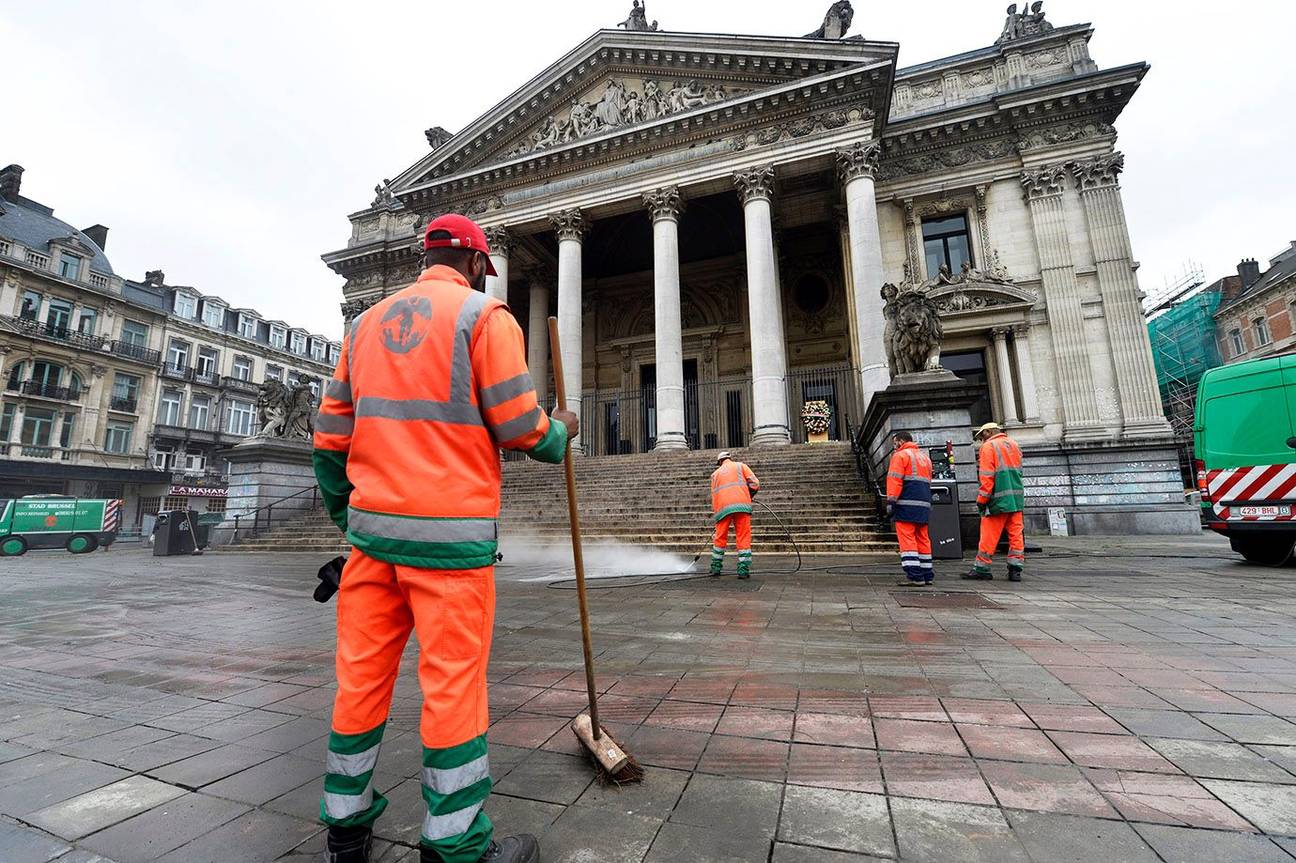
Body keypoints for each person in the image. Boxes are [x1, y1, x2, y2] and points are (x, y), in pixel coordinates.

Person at [313, 213, 578, 863]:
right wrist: (562, 429)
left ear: (424, 257)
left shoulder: (365, 325)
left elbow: (327, 442)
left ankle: (346, 831)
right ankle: (454, 843)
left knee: (360, 685)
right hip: (450, 549)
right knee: (454, 688)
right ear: (476, 266)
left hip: (372, 546)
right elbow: (520, 425)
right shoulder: (485, 318)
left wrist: (353, 521)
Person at [963, 422, 1025, 582]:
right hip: (1016, 500)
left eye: (982, 436)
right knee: (1016, 535)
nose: (981, 441)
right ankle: (1015, 569)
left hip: (997, 500)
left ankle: (982, 568)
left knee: (989, 536)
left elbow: (987, 477)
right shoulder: (1014, 445)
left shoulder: (989, 447)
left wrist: (982, 500)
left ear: (989, 432)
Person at [886, 431, 933, 586]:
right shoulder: (925, 457)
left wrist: (891, 502)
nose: (894, 447)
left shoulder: (899, 456)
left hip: (906, 504)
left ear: (900, 441)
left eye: (894, 443)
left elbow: (895, 480)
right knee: (923, 539)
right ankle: (927, 574)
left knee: (907, 540)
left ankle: (915, 575)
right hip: (924, 504)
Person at [709, 451, 760, 578]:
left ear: (720, 462)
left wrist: (717, 515)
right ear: (729, 458)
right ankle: (743, 569)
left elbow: (714, 495)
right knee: (743, 535)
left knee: (720, 536)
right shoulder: (740, 466)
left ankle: (716, 567)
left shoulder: (715, 474)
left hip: (723, 508)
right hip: (742, 505)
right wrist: (749, 495)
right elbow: (755, 484)